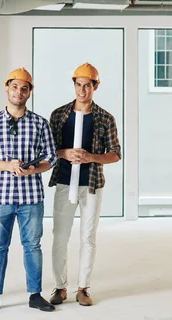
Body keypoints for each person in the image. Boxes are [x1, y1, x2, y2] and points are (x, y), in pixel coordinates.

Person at [0, 67, 57, 313]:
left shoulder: (39, 123)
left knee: (32, 245)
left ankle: (35, 294)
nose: (19, 91)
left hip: (31, 198)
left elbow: (51, 157)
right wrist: (7, 166)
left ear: (29, 92)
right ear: (7, 88)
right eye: (15, 87)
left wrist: (33, 169)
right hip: (0, 198)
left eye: (24, 88)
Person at [48, 63, 121, 307]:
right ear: (74, 85)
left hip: (91, 186)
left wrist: (91, 157)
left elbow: (115, 154)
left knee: (88, 237)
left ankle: (83, 288)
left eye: (87, 85)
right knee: (60, 236)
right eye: (78, 85)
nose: (82, 90)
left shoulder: (105, 118)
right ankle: (60, 287)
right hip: (64, 182)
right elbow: (47, 150)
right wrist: (64, 152)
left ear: (95, 86)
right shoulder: (59, 115)